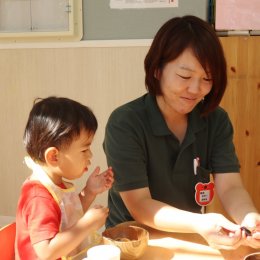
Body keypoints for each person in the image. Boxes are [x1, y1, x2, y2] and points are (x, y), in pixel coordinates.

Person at [103, 15, 260, 249]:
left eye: (207, 79)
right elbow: (140, 204)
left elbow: (230, 186)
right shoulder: (125, 123)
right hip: (132, 241)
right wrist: (201, 222)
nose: (196, 89)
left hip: (189, 237)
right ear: (157, 70)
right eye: (185, 76)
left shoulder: (216, 120)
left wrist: (249, 218)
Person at [16, 97, 114, 259]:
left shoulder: (53, 182)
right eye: (84, 150)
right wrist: (86, 225)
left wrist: (89, 192)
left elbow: (66, 216)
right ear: (54, 156)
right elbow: (47, 252)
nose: (90, 155)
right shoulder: (38, 197)